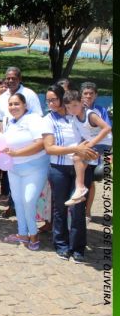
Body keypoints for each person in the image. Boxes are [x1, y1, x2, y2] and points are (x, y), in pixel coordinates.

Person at [43, 84, 98, 263]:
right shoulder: (48, 120)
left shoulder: (78, 112)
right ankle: (61, 245)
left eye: (54, 99)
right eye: (48, 100)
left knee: (78, 209)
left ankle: (78, 248)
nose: (51, 103)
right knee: (60, 208)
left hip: (81, 167)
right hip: (58, 169)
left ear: (62, 98)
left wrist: (88, 149)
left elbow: (96, 133)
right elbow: (49, 148)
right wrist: (76, 149)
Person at [1, 94, 50, 250]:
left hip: (35, 167)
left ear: (25, 105)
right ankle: (22, 233)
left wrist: (17, 153)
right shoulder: (9, 121)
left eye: (17, 104)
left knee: (29, 200)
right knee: (18, 201)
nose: (13, 107)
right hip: (14, 168)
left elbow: (41, 143)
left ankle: (33, 235)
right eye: (10, 104)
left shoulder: (34, 119)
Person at [63, 89, 112, 205]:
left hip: (104, 143)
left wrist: (91, 143)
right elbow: (81, 136)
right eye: (68, 107)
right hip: (92, 142)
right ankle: (80, 193)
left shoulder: (90, 115)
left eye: (74, 105)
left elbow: (107, 128)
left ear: (81, 102)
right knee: (79, 161)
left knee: (77, 158)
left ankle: (80, 188)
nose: (72, 109)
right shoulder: (75, 118)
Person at [80, 81, 112, 221]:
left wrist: (95, 146)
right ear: (80, 95)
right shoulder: (76, 108)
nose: (88, 96)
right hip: (79, 149)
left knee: (90, 181)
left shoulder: (100, 111)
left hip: (94, 150)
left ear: (96, 95)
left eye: (91, 94)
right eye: (85, 93)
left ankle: (88, 211)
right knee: (79, 180)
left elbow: (106, 131)